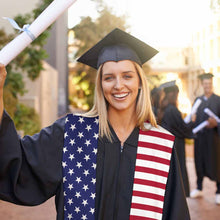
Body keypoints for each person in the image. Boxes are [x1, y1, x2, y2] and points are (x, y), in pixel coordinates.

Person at [0, 28, 190, 220]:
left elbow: (176, 213)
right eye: (109, 78)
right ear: (100, 84)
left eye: (127, 76)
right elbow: (18, 165)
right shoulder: (72, 133)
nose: (118, 85)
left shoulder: (160, 144)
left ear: (140, 82)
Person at [157, 81, 194, 197]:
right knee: (178, 171)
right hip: (176, 146)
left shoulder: (164, 109)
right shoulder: (172, 110)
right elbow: (181, 128)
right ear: (174, 94)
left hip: (168, 145)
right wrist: (192, 122)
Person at [190, 73, 220, 205]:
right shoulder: (198, 100)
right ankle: (199, 188)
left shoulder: (218, 100)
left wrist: (217, 124)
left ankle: (219, 192)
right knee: (199, 161)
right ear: (202, 85)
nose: (207, 86)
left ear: (212, 85)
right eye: (205, 84)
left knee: (217, 163)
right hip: (201, 138)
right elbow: (192, 119)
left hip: (214, 139)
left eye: (209, 84)